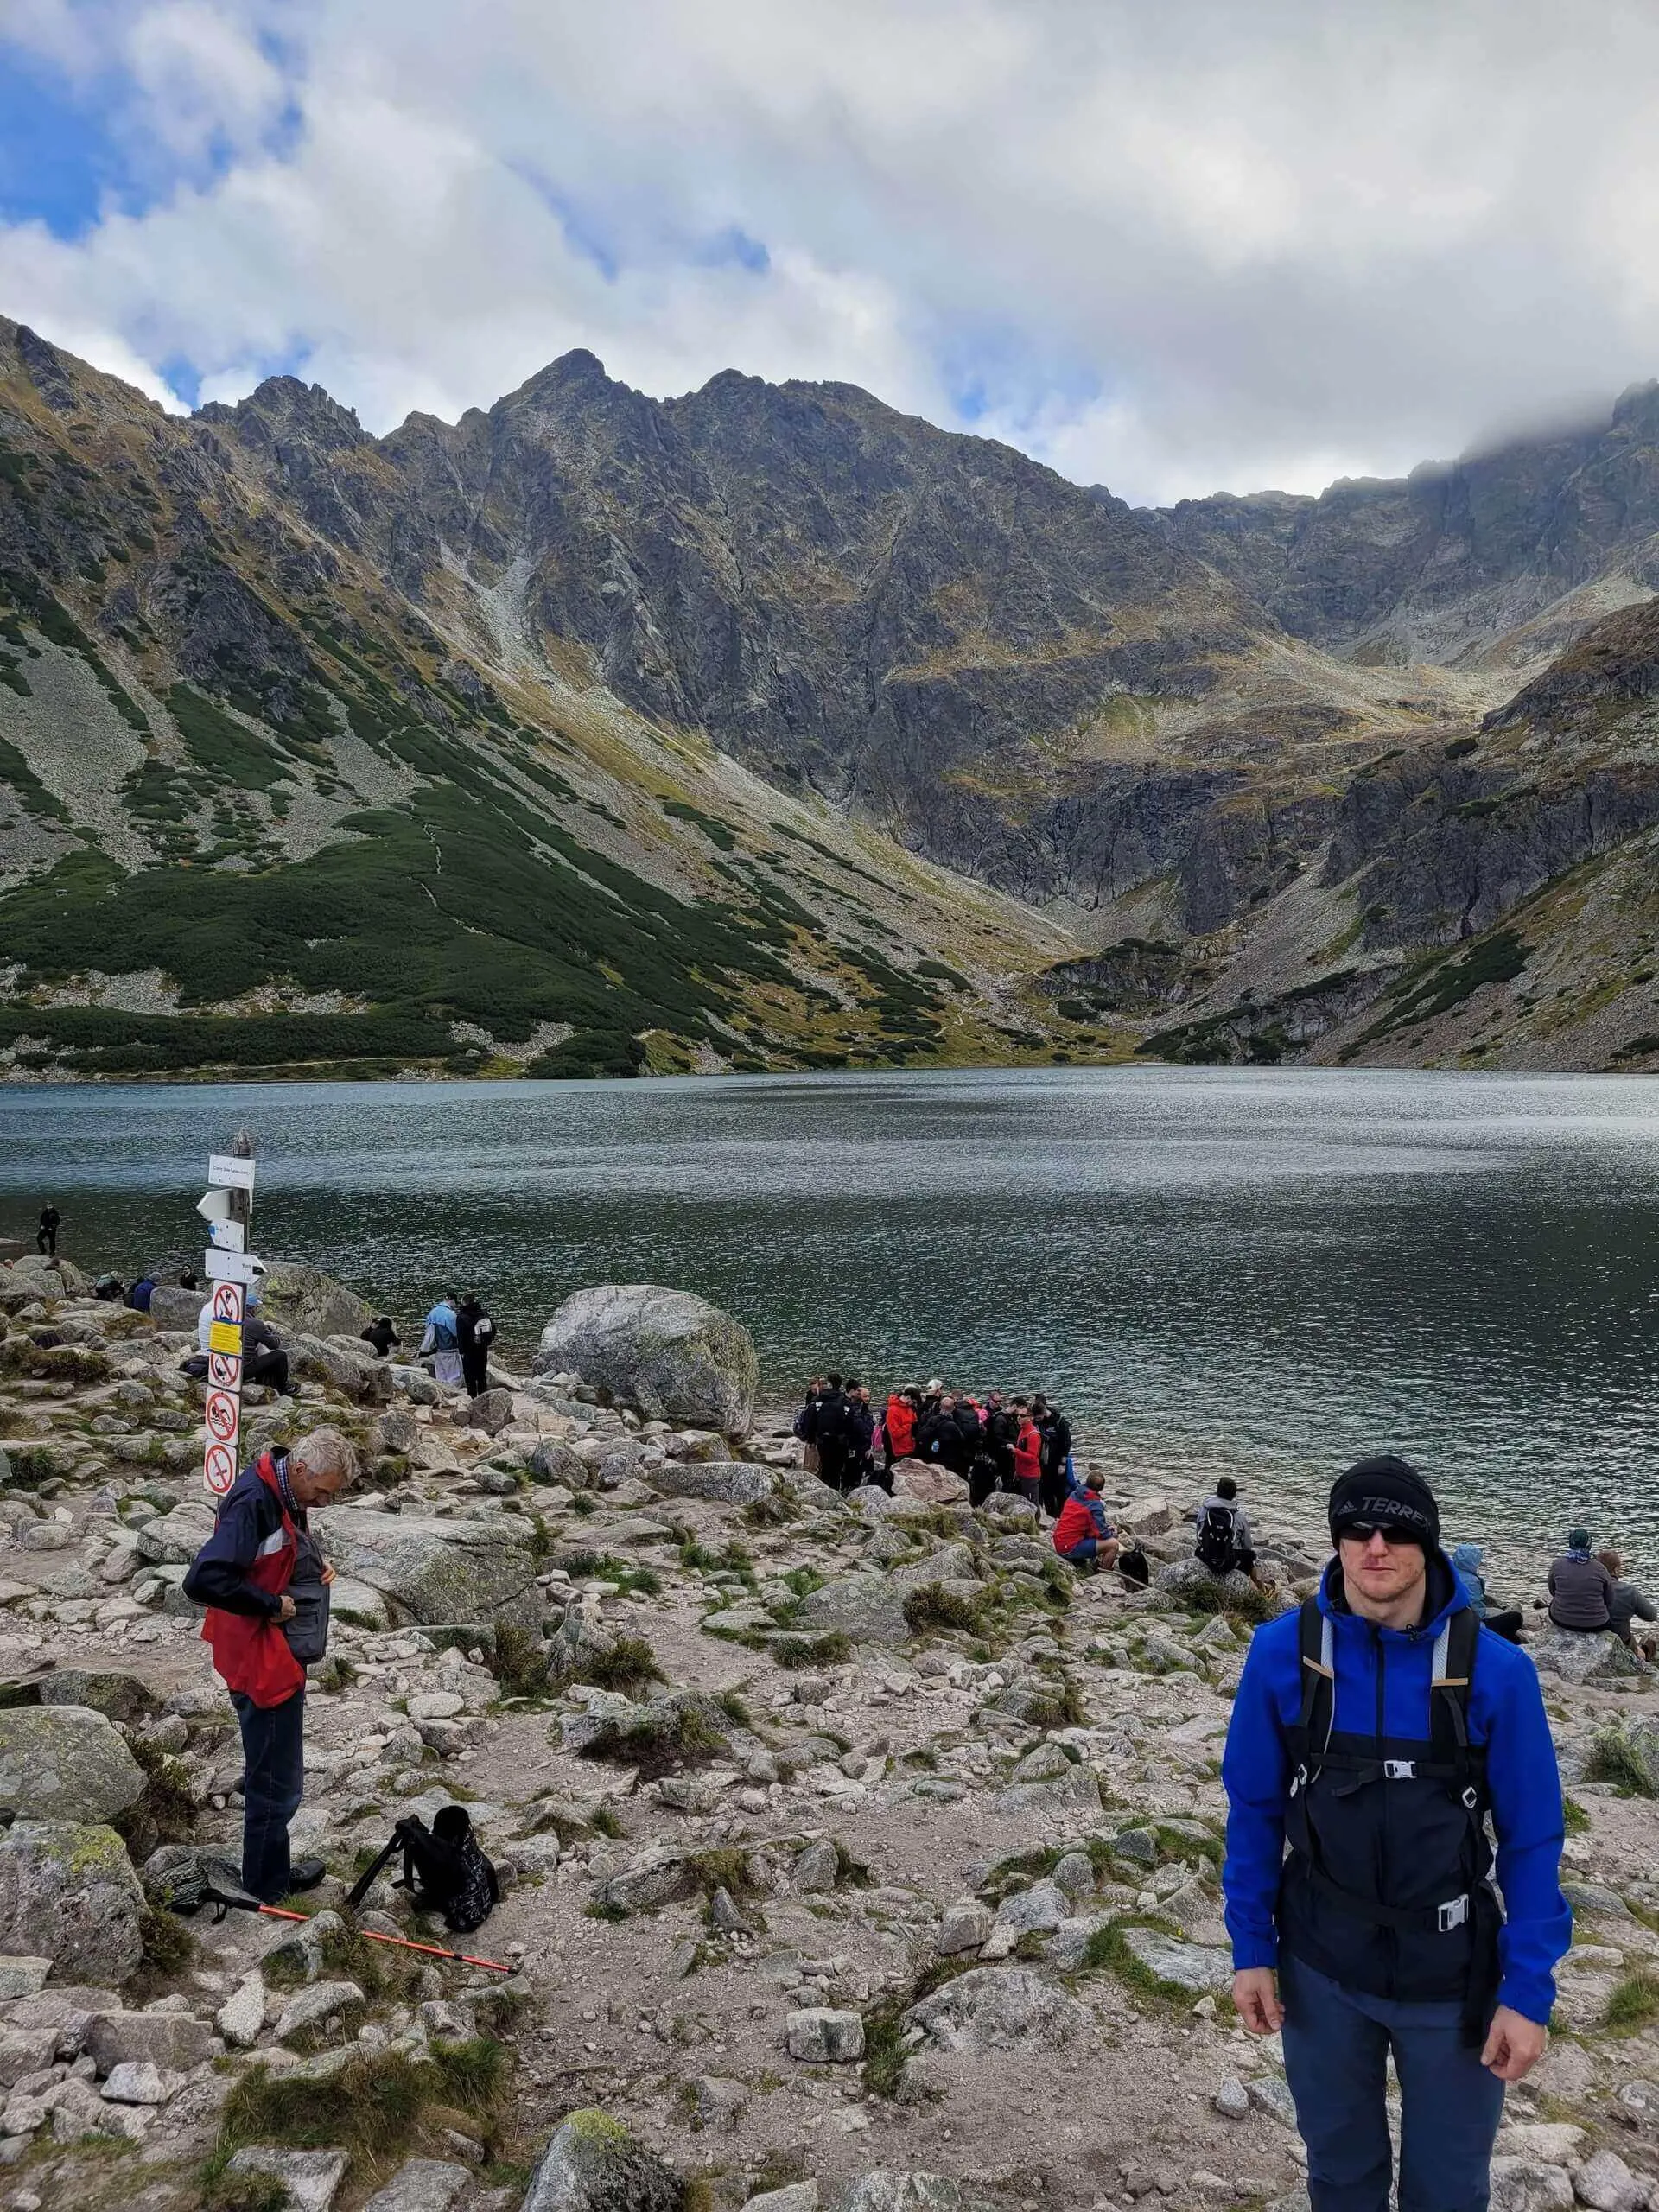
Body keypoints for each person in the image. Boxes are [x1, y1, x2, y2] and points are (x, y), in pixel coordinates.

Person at [1223, 1454, 1569, 2212]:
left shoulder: (1498, 1672)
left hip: (1452, 1979)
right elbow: (1251, 1807)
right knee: (1340, 2175)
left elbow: (1533, 1838)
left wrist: (1528, 1989)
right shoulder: (1283, 1654)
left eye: (1396, 1532)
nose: (1375, 1547)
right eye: (1356, 1529)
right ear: (1337, 1540)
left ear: (1430, 1547)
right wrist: (1251, 1949)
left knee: (1447, 2190)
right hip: (1320, 1966)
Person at [182, 1427, 359, 1902]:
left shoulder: (282, 1487)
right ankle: (266, 1887)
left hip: (270, 1650)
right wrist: (268, 1604)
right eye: (322, 1494)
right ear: (301, 1470)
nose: (323, 1504)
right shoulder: (252, 1502)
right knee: (275, 1778)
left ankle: (271, 1870)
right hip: (259, 1656)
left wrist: (312, 1568)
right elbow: (202, 1580)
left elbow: (277, 1550)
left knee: (275, 1767)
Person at [198, 1282, 295, 1396]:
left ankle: (263, 1382)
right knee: (280, 1355)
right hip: (243, 1370)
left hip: (224, 1365)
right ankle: (283, 1388)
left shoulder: (227, 1319)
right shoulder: (254, 1324)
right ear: (252, 1308)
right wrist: (274, 1332)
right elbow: (274, 1344)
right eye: (256, 1308)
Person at [1452, 1541, 1524, 1644]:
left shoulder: (1449, 1573)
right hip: (1469, 1627)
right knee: (1515, 1618)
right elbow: (1478, 1612)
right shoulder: (1471, 1581)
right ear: (1472, 1561)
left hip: (1452, 1621)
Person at [1052, 1466, 1120, 1573]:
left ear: (1087, 1482)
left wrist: (1106, 1529)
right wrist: (1111, 1533)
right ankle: (1105, 1573)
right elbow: (1101, 1533)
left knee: (1103, 1538)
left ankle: (1094, 1563)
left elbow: (1086, 1523)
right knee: (1113, 1544)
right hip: (1069, 1547)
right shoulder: (1095, 1505)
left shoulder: (1074, 1494)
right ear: (1101, 1488)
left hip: (1060, 1541)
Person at [1547, 1527, 1614, 1631]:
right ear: (1589, 1545)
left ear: (1571, 1544)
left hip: (1561, 1619)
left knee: (1552, 1604)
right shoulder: (1600, 1568)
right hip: (1596, 1624)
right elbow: (1609, 1599)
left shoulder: (1557, 1564)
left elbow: (1552, 1591)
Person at [1598, 1550, 1659, 1661]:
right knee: (1639, 1646)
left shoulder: (1588, 1588)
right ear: (1616, 1569)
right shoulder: (1628, 1591)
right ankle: (1645, 1654)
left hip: (1592, 1634)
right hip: (1621, 1640)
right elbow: (1651, 1615)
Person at [1196, 1477, 1256, 1579]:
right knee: (1251, 1557)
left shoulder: (1205, 1510)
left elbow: (1199, 1534)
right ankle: (1259, 1587)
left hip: (1206, 1556)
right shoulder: (1239, 1517)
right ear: (1234, 1495)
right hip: (1228, 1560)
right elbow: (1247, 1545)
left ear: (1217, 1491)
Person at [813, 1373, 852, 1492]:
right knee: (837, 1469)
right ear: (840, 1385)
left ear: (829, 1383)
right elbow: (850, 1423)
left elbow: (812, 1419)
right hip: (840, 1441)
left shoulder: (819, 1400)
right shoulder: (845, 1401)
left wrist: (810, 1438)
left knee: (825, 1467)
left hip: (823, 1440)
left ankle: (824, 1491)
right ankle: (835, 1491)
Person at [1037, 1398, 1073, 1522]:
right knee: (1046, 1490)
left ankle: (1064, 1516)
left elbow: (1067, 1442)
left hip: (1058, 1461)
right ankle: (1051, 1517)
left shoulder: (1058, 1421)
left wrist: (1063, 1462)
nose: (1037, 1421)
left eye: (1039, 1418)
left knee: (1060, 1490)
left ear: (1043, 1412)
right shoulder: (1038, 1421)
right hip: (1044, 1462)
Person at [421, 1293, 464, 1390]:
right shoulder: (450, 1314)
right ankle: (452, 1395)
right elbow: (456, 1333)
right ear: (452, 1300)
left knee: (441, 1377)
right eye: (455, 1303)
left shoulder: (432, 1312)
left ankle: (442, 1394)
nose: (455, 1306)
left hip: (437, 1350)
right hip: (450, 1350)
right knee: (454, 1377)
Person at [457, 1294, 495, 1398]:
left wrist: (461, 1351)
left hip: (469, 1351)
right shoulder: (484, 1314)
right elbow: (494, 1330)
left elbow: (461, 1337)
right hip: (482, 1349)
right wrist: (486, 1343)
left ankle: (472, 1397)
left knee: (470, 1376)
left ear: (464, 1303)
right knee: (481, 1375)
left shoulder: (461, 1317)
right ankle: (483, 1396)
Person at [1011, 1400, 1044, 1507]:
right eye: (1018, 1415)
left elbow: (1032, 1458)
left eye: (1022, 1415)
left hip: (1031, 1475)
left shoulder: (1033, 1435)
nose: (1019, 1417)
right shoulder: (1022, 1430)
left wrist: (1015, 1451)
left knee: (1032, 1504)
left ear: (1030, 1417)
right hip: (1022, 1473)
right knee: (1024, 1503)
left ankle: (1036, 1522)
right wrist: (1017, 1470)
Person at [883, 1388, 918, 1471]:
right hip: (900, 1451)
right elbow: (895, 1433)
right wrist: (909, 1426)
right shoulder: (893, 1410)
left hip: (910, 1448)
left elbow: (914, 1421)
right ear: (909, 1398)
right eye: (913, 1401)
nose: (913, 1404)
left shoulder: (908, 1407)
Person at [794, 1380, 824, 1476]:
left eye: (815, 1389)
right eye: (812, 1389)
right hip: (812, 1436)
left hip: (816, 1436)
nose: (813, 1391)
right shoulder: (810, 1397)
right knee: (810, 1461)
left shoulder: (821, 1399)